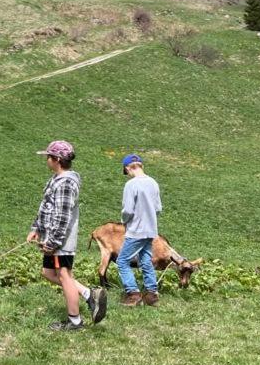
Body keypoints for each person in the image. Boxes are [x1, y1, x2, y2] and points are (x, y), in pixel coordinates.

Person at [27, 140, 106, 331]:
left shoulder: (66, 183)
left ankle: (75, 321)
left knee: (64, 276)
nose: (46, 160)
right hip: (50, 237)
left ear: (57, 159)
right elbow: (47, 207)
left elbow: (63, 215)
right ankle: (89, 294)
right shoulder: (57, 179)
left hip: (60, 240)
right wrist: (36, 228)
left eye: (48, 157)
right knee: (48, 273)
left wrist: (54, 241)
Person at [117, 153, 163, 306]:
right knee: (145, 260)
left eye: (127, 172)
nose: (128, 174)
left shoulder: (131, 185)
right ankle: (151, 294)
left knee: (122, 261)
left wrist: (124, 221)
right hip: (151, 230)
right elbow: (157, 208)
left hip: (136, 230)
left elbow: (128, 210)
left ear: (128, 168)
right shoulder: (154, 183)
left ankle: (133, 294)